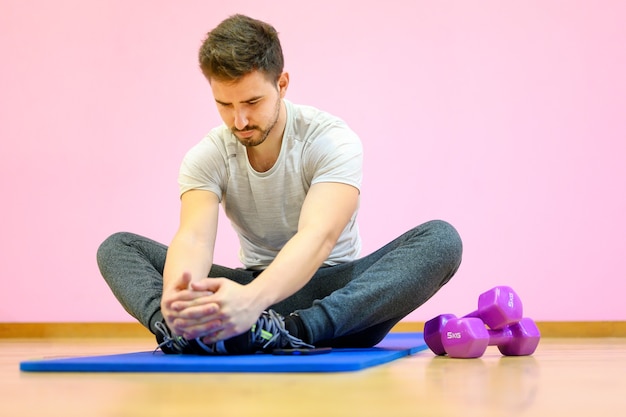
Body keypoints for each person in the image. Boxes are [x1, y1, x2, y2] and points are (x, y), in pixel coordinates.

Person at [97, 14, 463, 354]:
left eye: (252, 101)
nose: (239, 120)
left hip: (337, 297)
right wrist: (177, 300)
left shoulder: (331, 139)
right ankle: (181, 334)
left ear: (282, 84)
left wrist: (252, 301)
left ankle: (289, 331)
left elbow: (317, 237)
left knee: (441, 240)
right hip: (250, 290)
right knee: (118, 247)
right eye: (224, 104)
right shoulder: (207, 155)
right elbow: (193, 238)